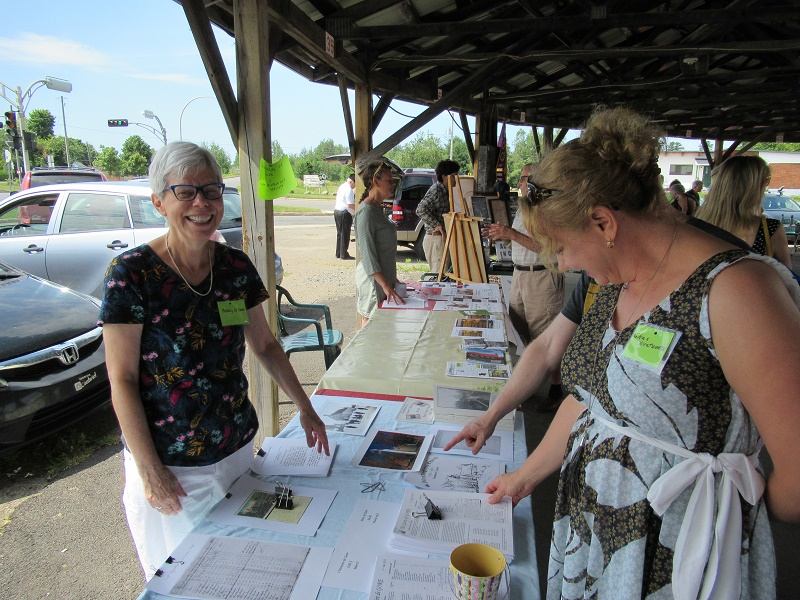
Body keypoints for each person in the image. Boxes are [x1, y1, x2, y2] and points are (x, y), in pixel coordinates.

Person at [473, 108, 800, 599]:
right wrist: (522, 478)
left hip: (679, 553)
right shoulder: (615, 282)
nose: (562, 263)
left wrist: (728, 508)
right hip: (595, 540)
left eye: (561, 247)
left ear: (604, 222)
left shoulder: (737, 291)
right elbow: (589, 403)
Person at [100, 141, 330, 580]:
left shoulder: (234, 267)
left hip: (237, 450)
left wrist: (305, 406)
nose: (202, 203)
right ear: (158, 202)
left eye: (212, 190)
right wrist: (150, 470)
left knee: (245, 569)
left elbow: (264, 345)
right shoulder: (130, 274)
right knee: (189, 579)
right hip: (174, 466)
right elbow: (122, 379)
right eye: (185, 192)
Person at [696, 155, 793, 269]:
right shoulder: (770, 228)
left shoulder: (698, 224)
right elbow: (788, 278)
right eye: (766, 181)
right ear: (756, 186)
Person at [354, 157, 404, 328]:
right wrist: (385, 284)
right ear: (375, 181)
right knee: (370, 325)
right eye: (389, 181)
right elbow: (368, 255)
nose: (392, 184)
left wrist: (392, 279)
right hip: (372, 281)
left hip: (383, 279)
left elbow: (383, 251)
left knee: (382, 326)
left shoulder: (377, 208)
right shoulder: (366, 213)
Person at [415, 159, 460, 273]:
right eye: (454, 175)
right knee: (438, 275)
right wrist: (438, 225)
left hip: (442, 238)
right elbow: (420, 209)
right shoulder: (437, 190)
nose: (456, 179)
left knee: (443, 274)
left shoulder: (446, 191)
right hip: (435, 239)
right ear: (445, 176)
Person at [334, 173, 355, 260]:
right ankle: (344, 254)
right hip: (344, 213)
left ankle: (338, 253)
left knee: (340, 233)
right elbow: (350, 204)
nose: (355, 186)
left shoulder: (342, 186)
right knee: (345, 234)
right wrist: (359, 208)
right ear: (352, 181)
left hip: (337, 211)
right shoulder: (349, 189)